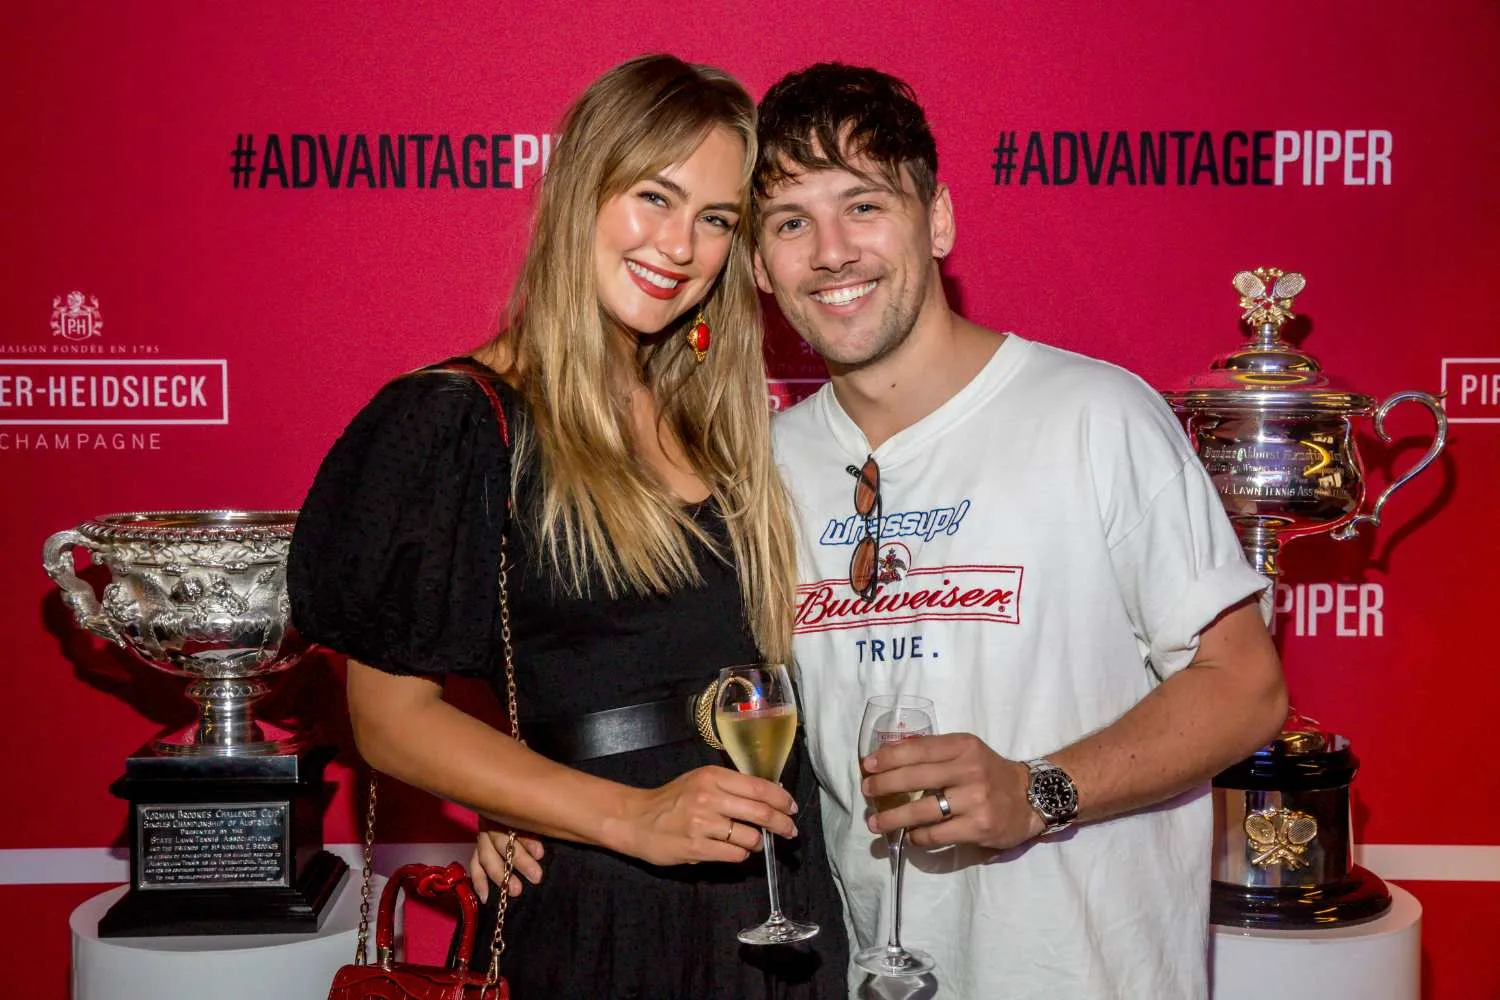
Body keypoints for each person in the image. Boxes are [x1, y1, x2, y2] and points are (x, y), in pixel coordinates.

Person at [288, 54, 847, 999]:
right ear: (580, 189)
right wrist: (619, 814)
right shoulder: (456, 419)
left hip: (772, 890)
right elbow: (390, 721)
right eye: (653, 197)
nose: (681, 245)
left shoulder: (720, 424)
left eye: (716, 220)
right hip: (605, 904)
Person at [751, 64, 1289, 999]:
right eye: (791, 221)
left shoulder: (1095, 415)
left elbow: (1245, 687)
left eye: (864, 204)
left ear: (939, 221)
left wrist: (1041, 792)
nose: (831, 251)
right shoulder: (764, 470)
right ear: (760, 265)